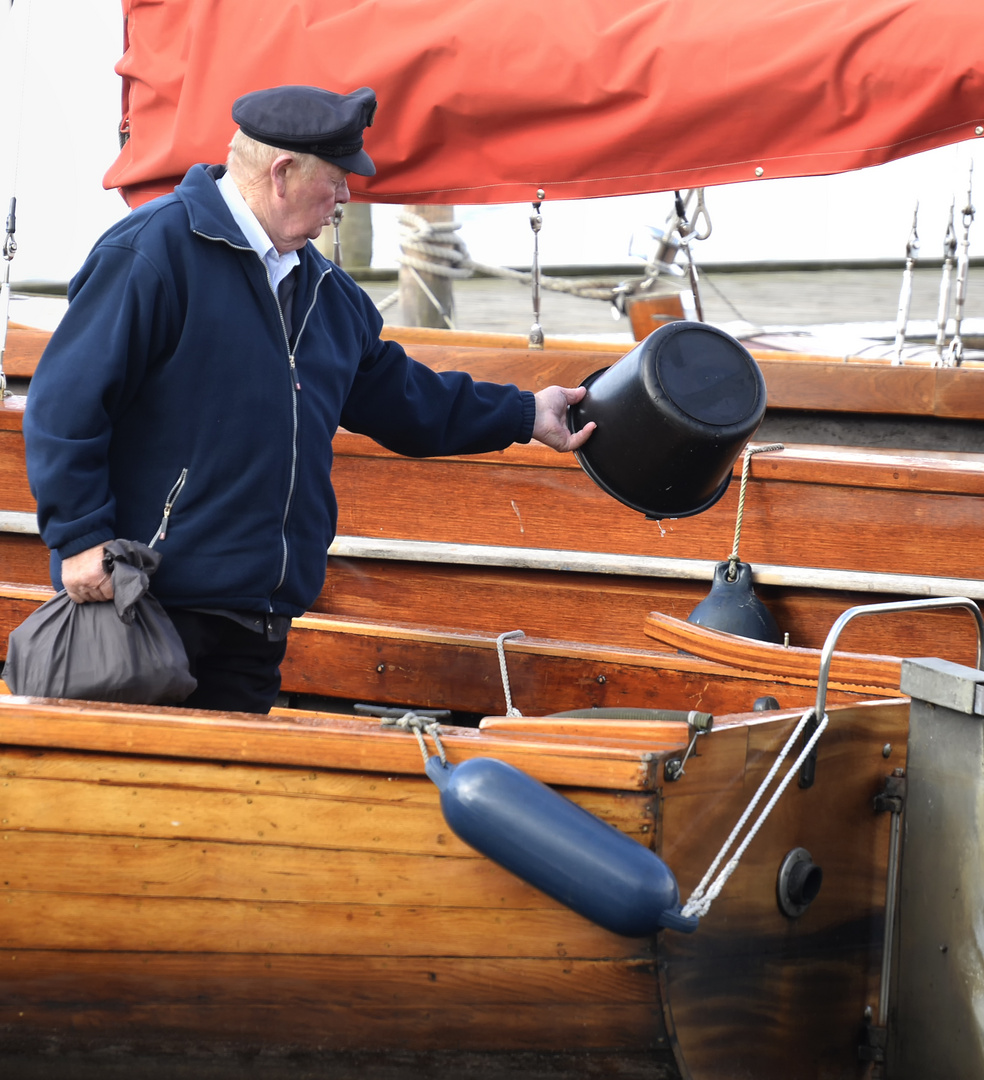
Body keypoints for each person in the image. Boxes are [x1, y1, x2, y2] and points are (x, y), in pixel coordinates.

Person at [24, 84, 594, 713]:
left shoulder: (328, 294)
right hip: (143, 608)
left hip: (256, 620)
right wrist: (78, 539)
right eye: (339, 178)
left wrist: (524, 414)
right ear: (283, 173)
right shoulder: (152, 254)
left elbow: (406, 400)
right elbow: (63, 406)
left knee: (231, 802)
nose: (347, 196)